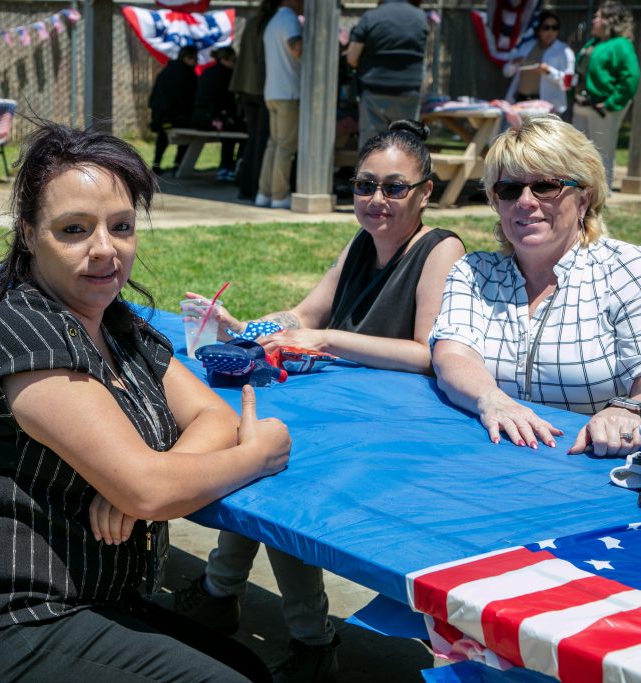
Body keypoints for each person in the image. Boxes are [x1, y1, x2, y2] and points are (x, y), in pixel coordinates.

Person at [0, 123, 290, 682]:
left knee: (248, 666)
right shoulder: (28, 338)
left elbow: (212, 416)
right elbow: (152, 486)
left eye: (122, 227)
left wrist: (147, 481)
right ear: (30, 235)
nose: (105, 249)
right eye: (75, 229)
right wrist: (258, 454)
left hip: (82, 604)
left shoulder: (115, 324)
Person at [168, 120, 465, 682]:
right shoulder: (362, 242)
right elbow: (304, 316)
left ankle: (304, 636)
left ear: (425, 192)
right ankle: (223, 593)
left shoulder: (439, 249)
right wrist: (245, 325)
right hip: (343, 409)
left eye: (394, 187)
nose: (376, 199)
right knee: (256, 461)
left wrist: (326, 339)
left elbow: (426, 353)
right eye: (364, 185)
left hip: (397, 425)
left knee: (275, 480)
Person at [431, 115, 641, 456]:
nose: (525, 201)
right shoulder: (474, 272)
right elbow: (451, 356)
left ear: (583, 199)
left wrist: (627, 409)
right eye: (509, 189)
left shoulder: (627, 270)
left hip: (589, 467)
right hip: (486, 461)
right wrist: (491, 399)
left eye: (545, 186)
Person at [572, 1, 639, 187]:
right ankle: (582, 193)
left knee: (601, 153)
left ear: (610, 21)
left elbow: (630, 78)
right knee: (577, 152)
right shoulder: (595, 42)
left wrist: (611, 103)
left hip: (601, 108)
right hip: (582, 104)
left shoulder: (621, 45)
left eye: (598, 16)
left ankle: (602, 196)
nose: (594, 20)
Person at [346, 0, 428, 148]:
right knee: (406, 146)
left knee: (372, 148)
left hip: (374, 93)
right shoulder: (420, 17)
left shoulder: (371, 17)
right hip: (408, 92)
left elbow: (352, 58)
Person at [255, 0, 302, 209]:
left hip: (272, 92)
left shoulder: (273, 20)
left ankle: (264, 193)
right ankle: (279, 195)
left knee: (274, 144)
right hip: (289, 92)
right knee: (285, 147)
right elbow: (296, 48)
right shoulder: (289, 19)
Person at [230, 1, 275, 201]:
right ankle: (256, 188)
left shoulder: (252, 23)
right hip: (262, 88)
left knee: (253, 140)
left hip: (247, 87)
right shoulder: (271, 23)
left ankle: (246, 188)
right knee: (262, 141)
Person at [502, 10, 575, 114]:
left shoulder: (565, 51)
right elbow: (506, 72)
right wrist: (514, 63)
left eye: (554, 28)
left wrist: (548, 71)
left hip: (545, 108)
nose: (550, 32)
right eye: (546, 27)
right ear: (538, 29)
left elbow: (568, 83)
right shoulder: (526, 46)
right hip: (519, 103)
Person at [193, 46, 241, 182]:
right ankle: (229, 167)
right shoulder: (227, 76)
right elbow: (227, 102)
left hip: (199, 118)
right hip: (213, 119)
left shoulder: (207, 72)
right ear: (225, 60)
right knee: (237, 134)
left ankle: (226, 167)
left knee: (230, 134)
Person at [149, 45, 198, 175]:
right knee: (187, 136)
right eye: (195, 59)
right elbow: (188, 99)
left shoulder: (166, 71)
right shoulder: (187, 74)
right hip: (177, 117)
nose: (196, 62)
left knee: (162, 137)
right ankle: (178, 163)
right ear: (187, 58)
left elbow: (154, 95)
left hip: (160, 116)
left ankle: (156, 163)